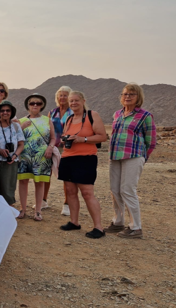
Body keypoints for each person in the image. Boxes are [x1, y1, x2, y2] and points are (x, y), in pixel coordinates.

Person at [104, 83, 156, 239]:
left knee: (127, 190)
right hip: (115, 156)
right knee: (115, 190)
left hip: (133, 156)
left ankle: (135, 227)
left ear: (138, 97)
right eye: (125, 94)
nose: (127, 97)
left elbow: (151, 141)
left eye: (131, 94)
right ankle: (118, 221)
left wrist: (142, 158)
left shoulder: (145, 116)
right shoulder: (117, 114)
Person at [57, 91, 108, 239]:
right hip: (67, 158)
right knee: (71, 192)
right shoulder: (69, 118)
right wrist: (65, 139)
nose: (73, 103)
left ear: (83, 101)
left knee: (87, 193)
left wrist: (82, 139)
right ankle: (74, 222)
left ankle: (98, 227)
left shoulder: (92, 115)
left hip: (85, 159)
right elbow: (68, 136)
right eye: (71, 101)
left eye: (76, 100)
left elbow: (102, 137)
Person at [17, 94, 55, 221]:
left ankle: (38, 211)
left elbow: (53, 138)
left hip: (42, 156)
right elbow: (15, 138)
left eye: (38, 103)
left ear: (42, 105)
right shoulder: (21, 121)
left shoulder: (47, 120)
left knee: (39, 182)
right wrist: (21, 127)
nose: (35, 105)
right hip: (24, 156)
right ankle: (23, 209)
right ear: (28, 105)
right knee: (23, 182)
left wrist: (50, 147)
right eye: (32, 103)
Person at [42, 86, 73, 215]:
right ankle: (43, 200)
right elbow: (48, 130)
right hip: (53, 146)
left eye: (65, 95)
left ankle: (67, 204)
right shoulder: (52, 112)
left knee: (66, 175)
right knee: (46, 174)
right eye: (60, 95)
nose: (62, 98)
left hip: (67, 148)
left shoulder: (73, 112)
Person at [0, 100, 25, 205]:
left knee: (8, 188)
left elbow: (21, 144)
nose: (5, 113)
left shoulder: (16, 126)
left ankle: (8, 211)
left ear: (11, 112)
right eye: (2, 110)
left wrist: (14, 155)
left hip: (11, 162)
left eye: (8, 110)